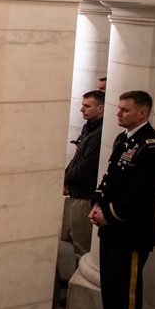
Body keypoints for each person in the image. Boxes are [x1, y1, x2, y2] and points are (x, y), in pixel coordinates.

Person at [87, 90, 155, 309]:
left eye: (124, 109)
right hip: (112, 228)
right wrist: (97, 205)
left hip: (131, 232)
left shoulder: (151, 147)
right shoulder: (125, 139)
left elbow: (141, 196)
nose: (118, 113)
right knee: (111, 287)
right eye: (119, 108)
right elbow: (110, 179)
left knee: (126, 292)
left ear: (142, 113)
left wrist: (109, 214)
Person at [61, 90, 105, 263]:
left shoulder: (99, 133)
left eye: (87, 106)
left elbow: (85, 167)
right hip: (78, 192)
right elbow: (76, 160)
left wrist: (65, 178)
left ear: (100, 108)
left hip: (85, 195)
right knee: (76, 239)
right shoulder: (91, 129)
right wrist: (65, 176)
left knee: (82, 245)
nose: (81, 110)